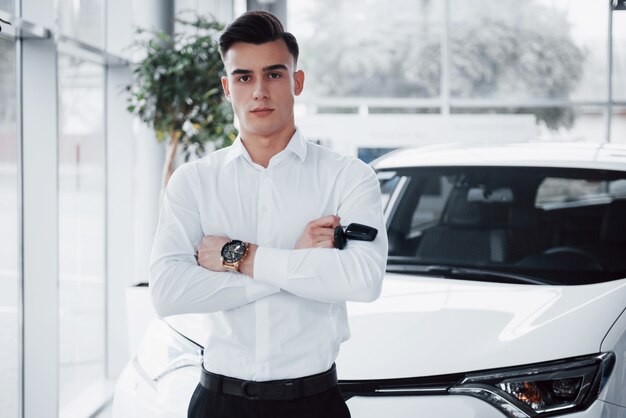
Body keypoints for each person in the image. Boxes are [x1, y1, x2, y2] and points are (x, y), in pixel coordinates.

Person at [149, 10, 388, 418]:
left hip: (314, 404)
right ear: (227, 87)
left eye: (274, 75)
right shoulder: (193, 181)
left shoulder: (348, 176)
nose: (259, 90)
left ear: (297, 81)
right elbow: (169, 292)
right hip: (218, 403)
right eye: (244, 77)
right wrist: (295, 264)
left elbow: (364, 280)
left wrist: (240, 257)